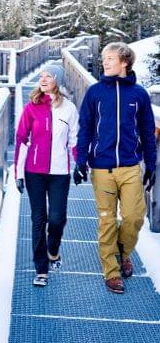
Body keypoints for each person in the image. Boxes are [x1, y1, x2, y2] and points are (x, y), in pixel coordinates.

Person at [74, 42, 156, 294]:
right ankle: (111, 271)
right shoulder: (95, 92)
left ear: (124, 62)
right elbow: (85, 127)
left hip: (131, 166)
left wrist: (151, 164)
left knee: (133, 217)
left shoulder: (139, 95)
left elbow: (148, 133)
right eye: (104, 58)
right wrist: (80, 161)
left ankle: (122, 251)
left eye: (110, 58)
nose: (105, 62)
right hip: (102, 168)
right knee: (107, 220)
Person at [15, 64, 79, 287]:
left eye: (48, 76)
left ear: (57, 81)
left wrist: (79, 163)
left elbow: (74, 140)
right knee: (38, 219)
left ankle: (53, 250)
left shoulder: (69, 108)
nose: (43, 79)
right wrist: (18, 172)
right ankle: (41, 269)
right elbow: (22, 140)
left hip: (60, 172)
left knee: (57, 218)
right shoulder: (31, 107)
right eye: (41, 76)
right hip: (34, 172)